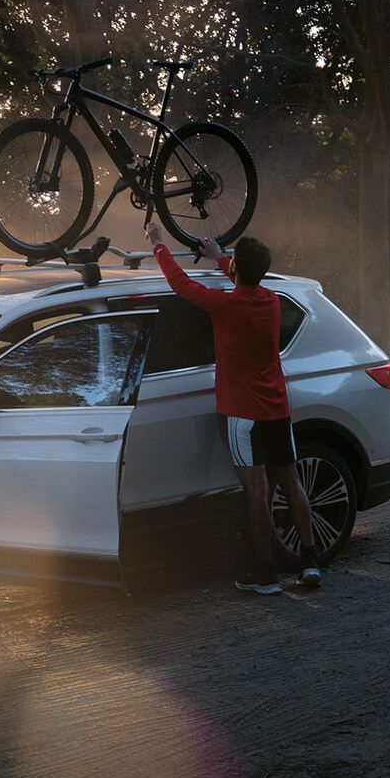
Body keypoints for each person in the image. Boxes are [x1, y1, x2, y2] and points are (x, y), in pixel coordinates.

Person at [144, 223, 321, 595]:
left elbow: (181, 285)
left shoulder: (224, 305)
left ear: (238, 270)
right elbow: (246, 278)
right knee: (291, 484)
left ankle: (265, 573)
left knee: (256, 492)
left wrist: (159, 246)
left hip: (243, 417)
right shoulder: (271, 301)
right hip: (278, 410)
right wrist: (221, 258)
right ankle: (309, 562)